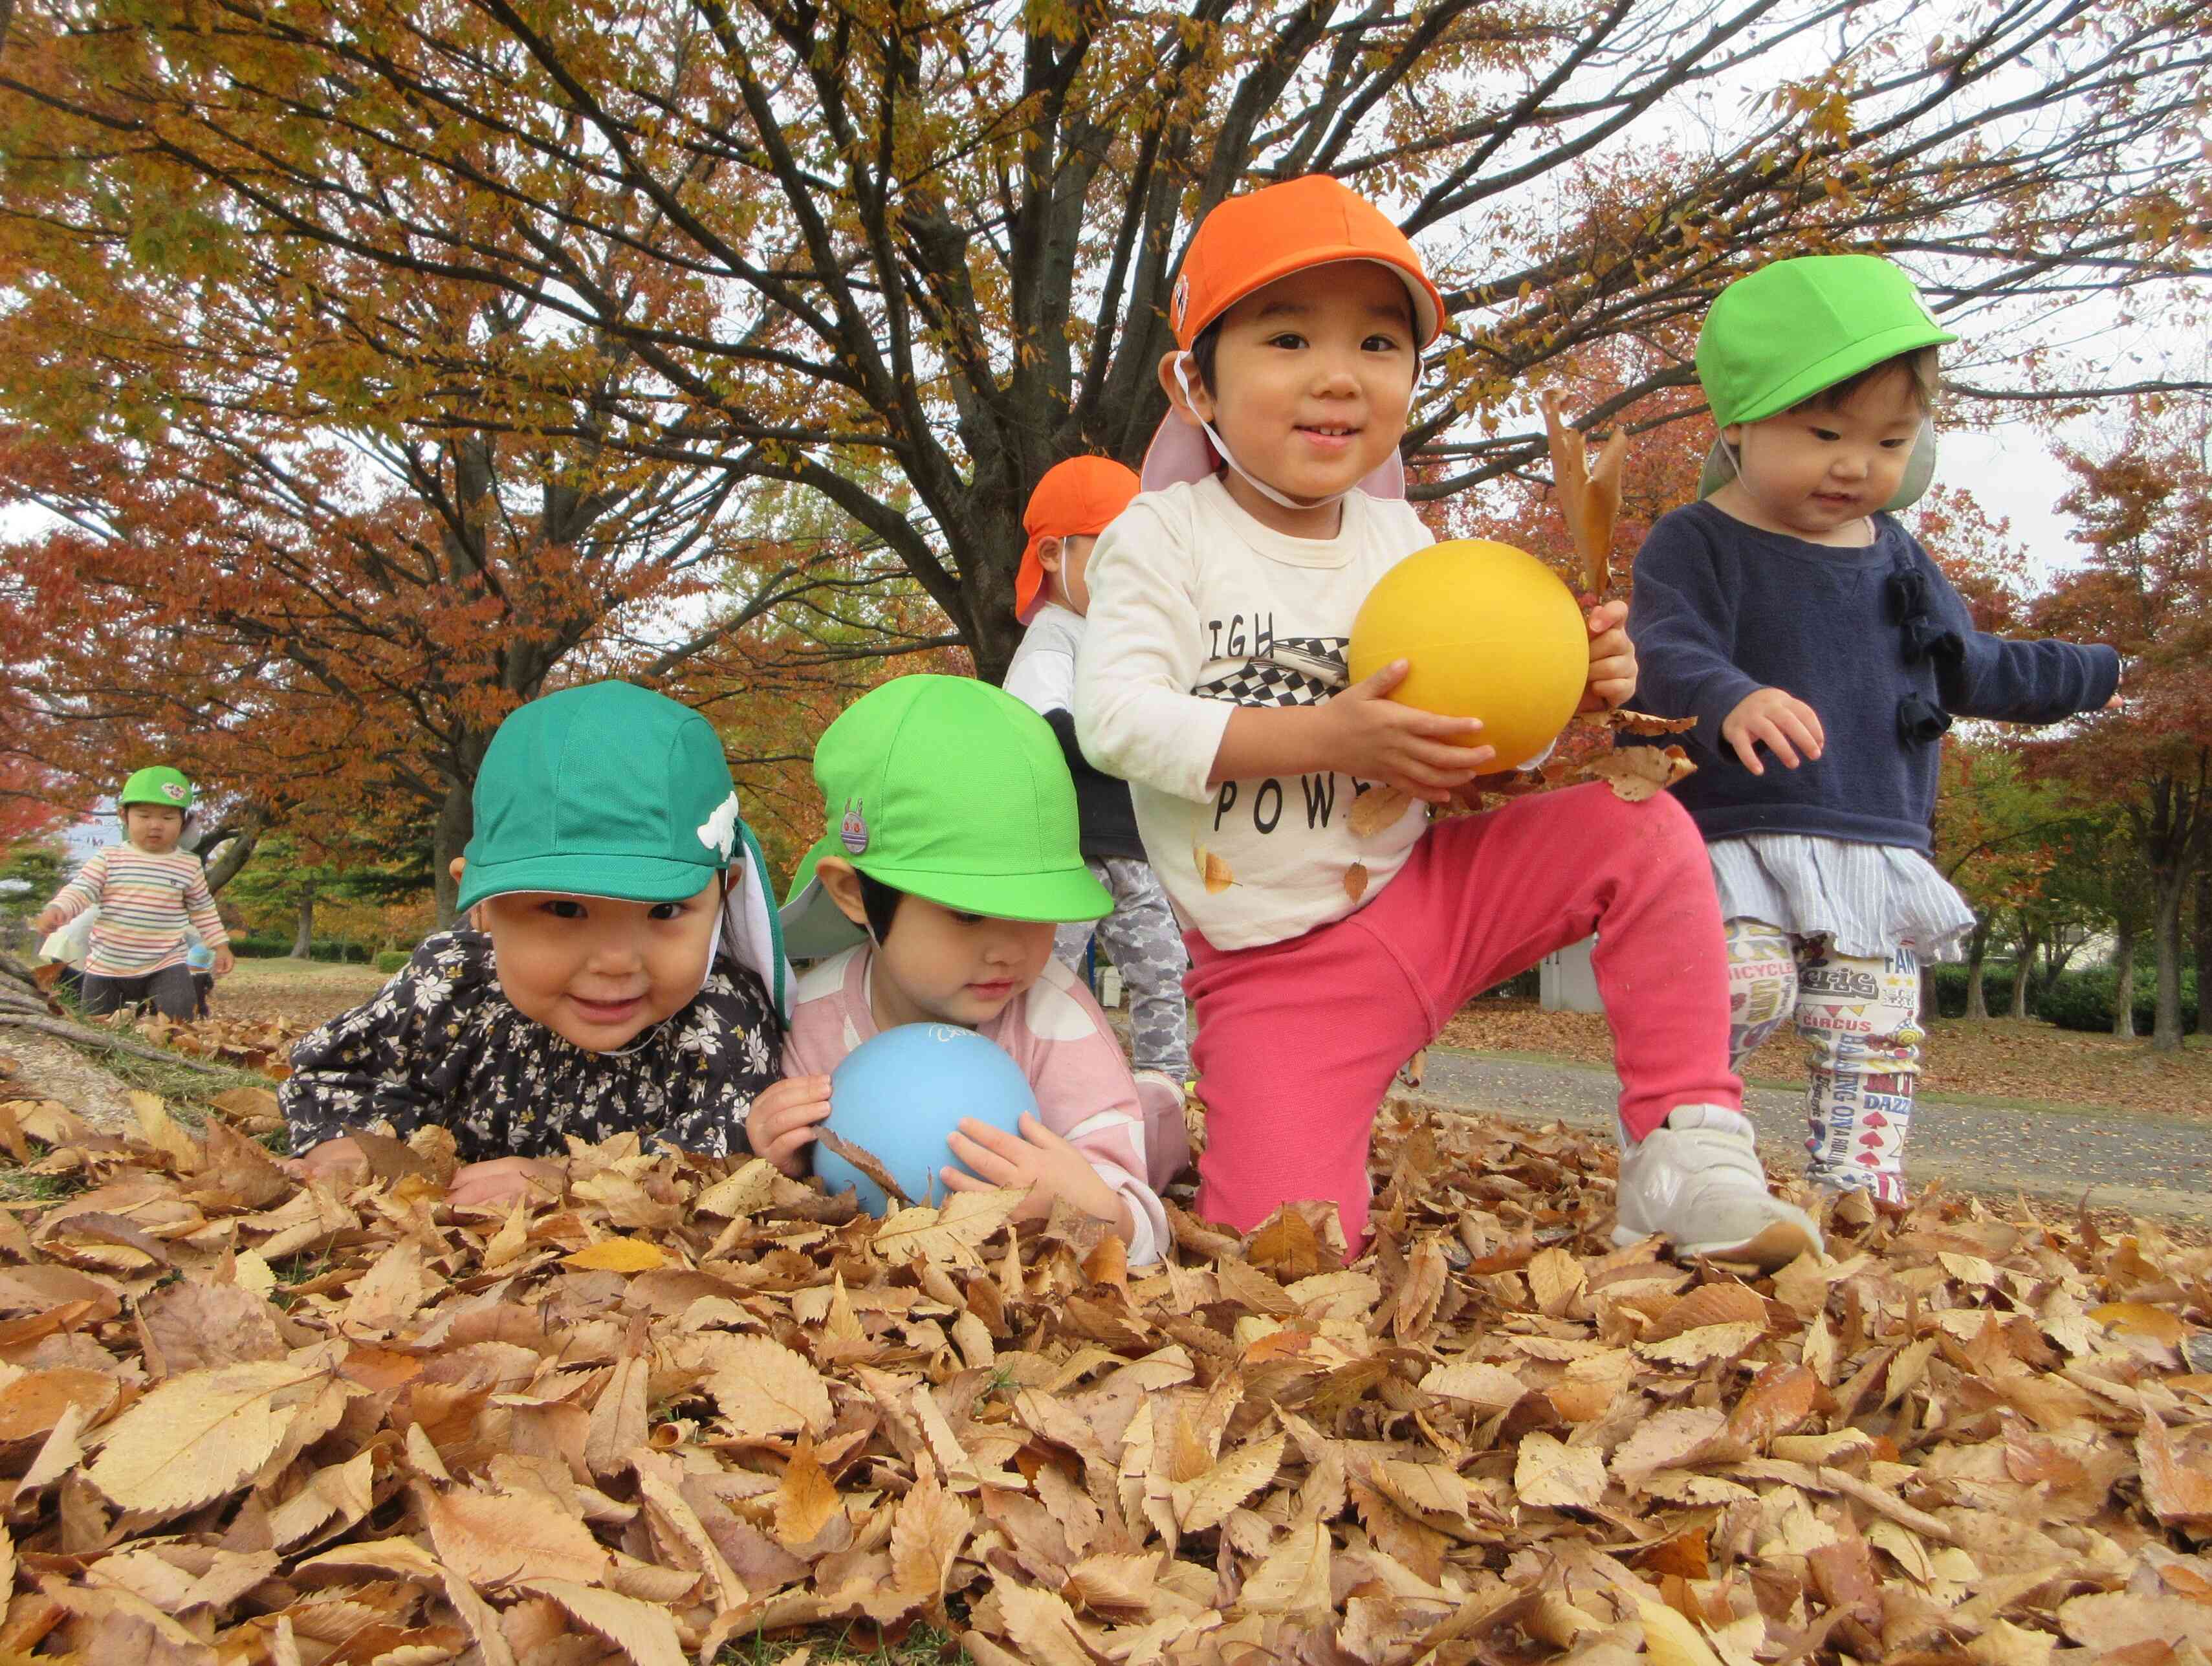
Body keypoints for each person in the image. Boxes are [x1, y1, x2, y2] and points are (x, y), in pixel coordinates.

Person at [1075, 174, 1821, 1267]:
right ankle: (1158, 1117)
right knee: (1288, 1256)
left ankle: (1683, 1141)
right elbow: (1119, 721)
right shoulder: (1163, 537)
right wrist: (1323, 737)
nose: (1337, 376)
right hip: (1277, 971)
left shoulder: (1403, 546)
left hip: (1429, 894)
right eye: (1285, 339)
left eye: (1379, 345)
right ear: (1193, 383)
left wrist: (1574, 689)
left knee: (1638, 825)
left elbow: (1478, 752)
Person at [1627, 254, 2121, 1207]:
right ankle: (1672, 1145)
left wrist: (2100, 673)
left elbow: (1966, 665)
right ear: (1737, 422)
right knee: (1743, 986)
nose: (1855, 464)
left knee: (1871, 1030)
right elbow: (1664, 647)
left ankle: (1856, 1202)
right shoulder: (1696, 538)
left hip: (1873, 839)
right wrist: (1731, 697)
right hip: (1734, 830)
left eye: (1891, 441)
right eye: (1821, 432)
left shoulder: (1898, 555)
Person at [279, 681, 791, 1209]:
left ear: (722, 898)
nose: (616, 961)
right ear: (482, 905)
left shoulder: (721, 1020)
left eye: (664, 910)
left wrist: (566, 1183)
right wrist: (350, 1145)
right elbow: (336, 1073)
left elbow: (722, 1156)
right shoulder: (451, 985)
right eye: (565, 909)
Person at [751, 675, 1170, 1264]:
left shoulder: (1057, 1020)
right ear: (852, 893)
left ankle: (1160, 1106)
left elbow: (1146, 1231)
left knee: (1155, 1126)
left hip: (1013, 1306)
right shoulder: (815, 1016)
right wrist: (778, 1159)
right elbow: (797, 1187)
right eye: (969, 914)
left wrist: (1089, 1212)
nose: (1008, 951)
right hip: (870, 1311)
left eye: (1035, 911)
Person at [1003, 455, 1193, 1179]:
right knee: (1046, 970)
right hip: (1071, 848)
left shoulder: (1120, 640)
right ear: (1054, 556)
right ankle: (1028, 1087)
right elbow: (1037, 727)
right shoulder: (1053, 638)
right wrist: (1125, 738)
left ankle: (1162, 1091)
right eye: (1113, 557)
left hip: (1133, 844)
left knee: (1160, 966)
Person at [31, 767, 233, 1020]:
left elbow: (203, 909)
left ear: (184, 822)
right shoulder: (109, 858)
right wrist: (58, 909)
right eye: (144, 816)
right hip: (106, 964)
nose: (155, 826)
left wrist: (220, 945)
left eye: (168, 818)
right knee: (96, 1024)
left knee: (180, 1019)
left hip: (165, 963)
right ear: (124, 816)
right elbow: (81, 889)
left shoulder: (188, 865)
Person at [184, 928, 216, 1018]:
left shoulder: (187, 973)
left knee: (195, 1003)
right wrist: (208, 989)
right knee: (200, 1003)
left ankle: (198, 1015)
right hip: (199, 993)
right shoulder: (205, 973)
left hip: (190, 993)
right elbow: (210, 984)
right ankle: (202, 1015)